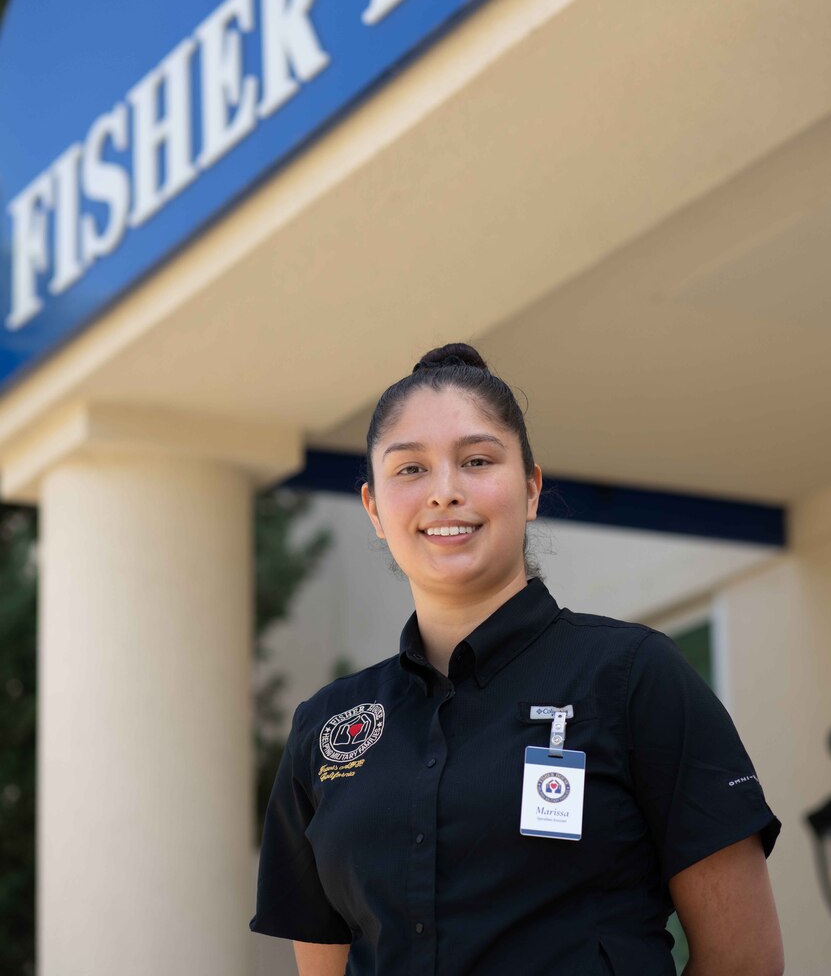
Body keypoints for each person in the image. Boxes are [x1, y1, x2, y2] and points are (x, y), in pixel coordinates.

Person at [250, 344, 784, 976]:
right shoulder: (326, 727)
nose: (445, 493)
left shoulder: (634, 676)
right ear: (373, 508)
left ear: (531, 487)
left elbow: (743, 959)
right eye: (410, 470)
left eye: (477, 461)